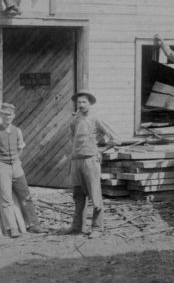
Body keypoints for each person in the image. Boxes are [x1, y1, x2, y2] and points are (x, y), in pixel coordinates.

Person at [62, 90, 120, 239]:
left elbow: (115, 139)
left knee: (95, 196)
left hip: (90, 161)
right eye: (79, 102)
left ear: (90, 103)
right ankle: (77, 227)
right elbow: (72, 138)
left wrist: (101, 151)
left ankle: (97, 228)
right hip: (76, 161)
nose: (81, 105)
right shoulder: (75, 119)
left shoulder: (96, 118)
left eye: (84, 102)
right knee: (78, 195)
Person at [0, 103, 45, 238]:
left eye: (9, 114)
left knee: (26, 196)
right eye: (4, 114)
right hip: (2, 167)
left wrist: (16, 158)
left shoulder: (17, 130)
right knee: (7, 199)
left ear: (13, 116)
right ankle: (12, 228)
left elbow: (21, 147)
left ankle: (34, 225)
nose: (7, 117)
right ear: (1, 115)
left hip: (16, 166)